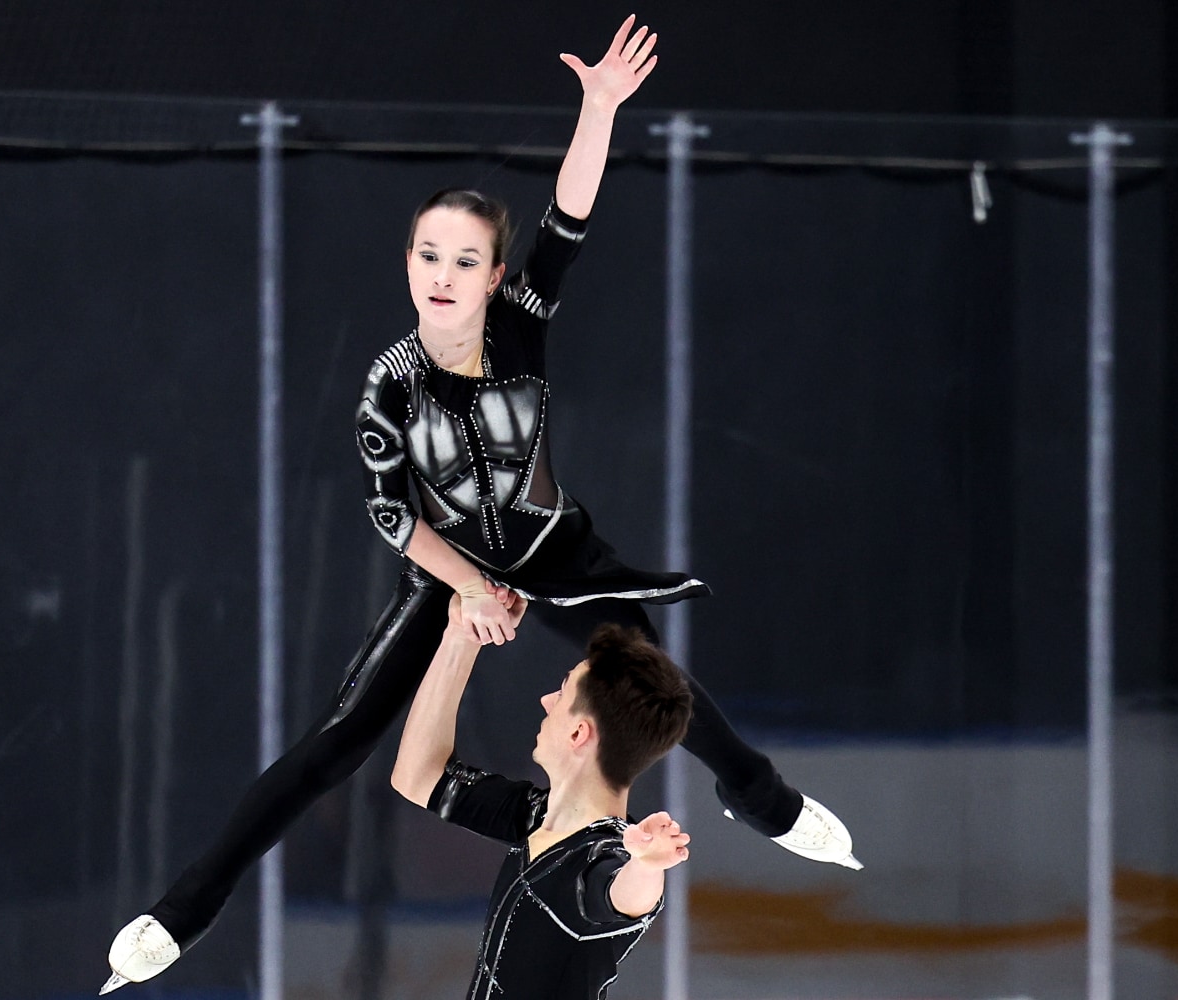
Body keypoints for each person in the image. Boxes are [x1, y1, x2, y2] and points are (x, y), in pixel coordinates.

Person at [101, 15, 858, 993]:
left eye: (466, 261)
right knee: (337, 741)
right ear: (408, 264)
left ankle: (763, 797)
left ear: (496, 276)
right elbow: (392, 516)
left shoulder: (523, 319)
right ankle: (182, 910)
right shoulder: (389, 384)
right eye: (429, 256)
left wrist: (598, 109)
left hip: (553, 549)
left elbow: (569, 218)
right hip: (450, 566)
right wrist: (467, 590)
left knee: (655, 684)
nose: (444, 276)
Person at [389, 594, 691, 1000]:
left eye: (562, 693)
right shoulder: (536, 816)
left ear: (578, 733)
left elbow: (621, 895)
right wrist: (462, 636)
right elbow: (419, 776)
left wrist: (647, 864)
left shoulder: (602, 854)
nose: (547, 701)